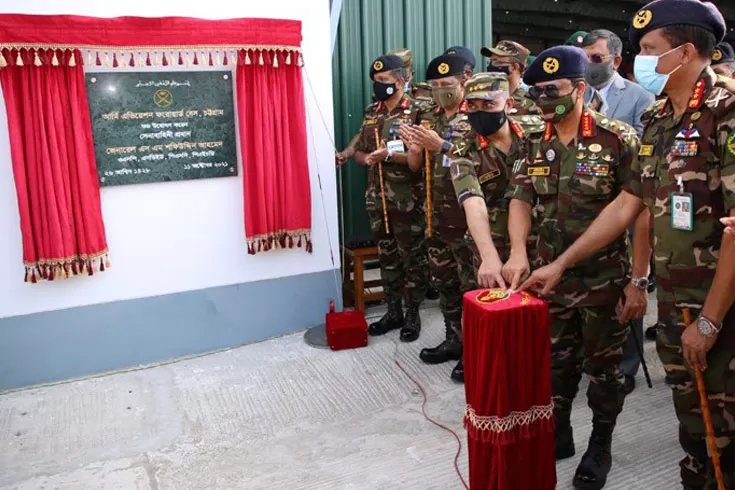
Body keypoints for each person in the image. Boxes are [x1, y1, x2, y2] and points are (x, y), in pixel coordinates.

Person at [519, 2, 735, 488]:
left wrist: (710, 318)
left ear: (685, 51)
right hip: (677, 300)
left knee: (725, 428)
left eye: (650, 51)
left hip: (720, 303)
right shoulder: (660, 118)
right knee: (694, 422)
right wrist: (562, 265)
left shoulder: (728, 111)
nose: (640, 61)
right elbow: (627, 204)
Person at [502, 45, 645, 489]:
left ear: (580, 89)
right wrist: (518, 252)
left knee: (604, 373)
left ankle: (599, 444)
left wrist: (638, 281)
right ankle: (559, 431)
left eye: (553, 89)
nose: (543, 98)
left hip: (603, 281)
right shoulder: (534, 138)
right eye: (536, 90)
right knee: (554, 364)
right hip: (548, 280)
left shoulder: (617, 138)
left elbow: (637, 213)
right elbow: (522, 197)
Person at [582, 29, 657, 395]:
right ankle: (593, 355)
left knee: (628, 286)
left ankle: (627, 363)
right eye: (584, 59)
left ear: (616, 60)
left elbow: (646, 147)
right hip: (586, 208)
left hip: (627, 204)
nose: (588, 66)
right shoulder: (575, 93)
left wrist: (603, 123)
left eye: (595, 58)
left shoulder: (640, 97)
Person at [399, 54, 477, 382]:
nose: (440, 91)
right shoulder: (426, 114)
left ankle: (475, 352)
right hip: (435, 215)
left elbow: (481, 158)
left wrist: (442, 145)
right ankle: (454, 340)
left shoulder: (478, 113)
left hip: (468, 218)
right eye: (434, 86)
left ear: (465, 79)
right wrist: (415, 150)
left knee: (471, 286)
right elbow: (416, 167)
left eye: (447, 85)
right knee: (445, 283)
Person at [352, 54, 429, 342]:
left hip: (407, 199)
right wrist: (363, 158)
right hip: (377, 198)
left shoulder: (418, 110)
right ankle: (393, 311)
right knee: (388, 256)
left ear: (400, 80)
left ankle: (412, 314)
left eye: (383, 81)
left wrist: (387, 156)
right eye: (375, 81)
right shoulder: (373, 111)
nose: (378, 86)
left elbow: (417, 161)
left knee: (412, 258)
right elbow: (360, 147)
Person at [447, 72, 544, 292]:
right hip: (491, 242)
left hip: (540, 241)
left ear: (508, 104)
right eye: (472, 106)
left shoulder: (536, 134)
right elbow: (473, 202)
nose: (480, 111)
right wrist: (489, 257)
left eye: (489, 104)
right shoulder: (464, 148)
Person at [481, 40, 539, 115]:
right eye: (491, 62)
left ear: (514, 67)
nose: (491, 66)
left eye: (498, 62)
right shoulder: (483, 99)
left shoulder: (532, 104)